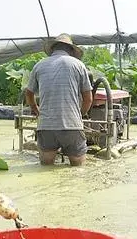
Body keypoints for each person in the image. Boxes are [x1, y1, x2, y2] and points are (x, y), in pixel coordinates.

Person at [25, 34, 93, 166]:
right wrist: (80, 114)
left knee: (46, 168)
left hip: (46, 127)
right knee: (78, 169)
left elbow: (28, 93)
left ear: (53, 49)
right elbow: (88, 99)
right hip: (72, 126)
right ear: (71, 50)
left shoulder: (39, 65)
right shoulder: (78, 65)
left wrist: (36, 110)